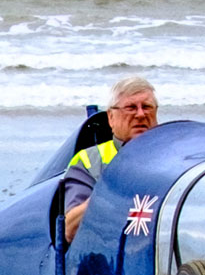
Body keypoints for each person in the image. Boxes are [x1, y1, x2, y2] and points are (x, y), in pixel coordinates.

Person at [60, 75, 159, 240]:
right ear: (111, 118)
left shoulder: (173, 155)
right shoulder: (88, 161)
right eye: (131, 107)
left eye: (147, 107)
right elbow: (70, 230)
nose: (141, 114)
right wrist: (112, 191)